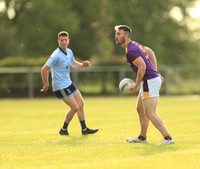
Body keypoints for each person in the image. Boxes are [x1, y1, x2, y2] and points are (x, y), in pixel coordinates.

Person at [114, 25, 174, 145]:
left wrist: (136, 85)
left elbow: (142, 66)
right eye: (116, 34)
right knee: (140, 109)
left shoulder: (130, 50)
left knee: (150, 113)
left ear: (126, 36)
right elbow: (149, 51)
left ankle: (168, 138)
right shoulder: (133, 45)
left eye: (119, 34)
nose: (116, 36)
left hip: (149, 81)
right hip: (149, 80)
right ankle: (142, 137)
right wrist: (155, 72)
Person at [41, 31, 98, 136]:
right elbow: (44, 69)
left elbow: (73, 64)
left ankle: (84, 129)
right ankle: (63, 129)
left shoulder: (69, 52)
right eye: (61, 40)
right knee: (75, 107)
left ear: (68, 41)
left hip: (68, 83)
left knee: (81, 104)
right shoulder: (56, 55)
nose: (63, 42)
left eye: (65, 40)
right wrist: (46, 84)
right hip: (60, 86)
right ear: (58, 41)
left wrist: (83, 65)